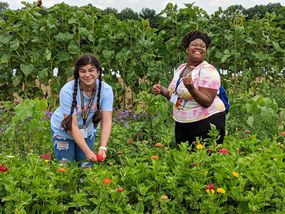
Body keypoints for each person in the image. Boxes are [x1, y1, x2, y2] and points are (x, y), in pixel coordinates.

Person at [152, 30, 226, 147]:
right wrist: (162, 90)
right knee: (185, 160)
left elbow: (206, 102)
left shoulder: (208, 70)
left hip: (207, 122)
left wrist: (191, 88)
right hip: (183, 123)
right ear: (187, 49)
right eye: (194, 45)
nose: (199, 48)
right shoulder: (181, 68)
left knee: (203, 159)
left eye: (202, 46)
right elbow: (179, 101)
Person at [51, 53, 113, 167]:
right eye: (82, 71)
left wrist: (103, 147)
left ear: (98, 72)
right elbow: (72, 125)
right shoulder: (67, 91)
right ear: (78, 73)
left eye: (91, 70)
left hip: (87, 131)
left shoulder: (106, 90)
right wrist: (88, 152)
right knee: (66, 169)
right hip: (64, 132)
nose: (87, 74)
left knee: (85, 169)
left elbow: (107, 120)